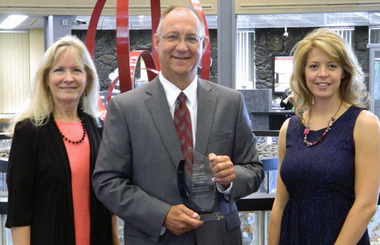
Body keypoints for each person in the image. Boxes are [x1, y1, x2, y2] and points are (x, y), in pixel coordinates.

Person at [92, 4, 264, 245]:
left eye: (192, 38)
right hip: (154, 238)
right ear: (157, 42)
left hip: (218, 237)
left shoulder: (230, 102)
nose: (182, 47)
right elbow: (107, 181)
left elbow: (254, 170)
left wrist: (230, 179)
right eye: (172, 37)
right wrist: (160, 215)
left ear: (203, 45)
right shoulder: (126, 108)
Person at [268, 28, 380, 244]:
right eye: (314, 66)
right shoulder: (288, 128)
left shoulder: (364, 123)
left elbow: (366, 205)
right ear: (303, 73)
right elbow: (280, 203)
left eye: (332, 66)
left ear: (344, 72)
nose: (322, 74)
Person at [5, 35, 117, 245]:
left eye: (76, 70)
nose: (68, 78)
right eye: (59, 70)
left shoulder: (97, 128)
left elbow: (107, 198)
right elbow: (19, 210)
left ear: (88, 79)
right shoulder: (29, 132)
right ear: (46, 79)